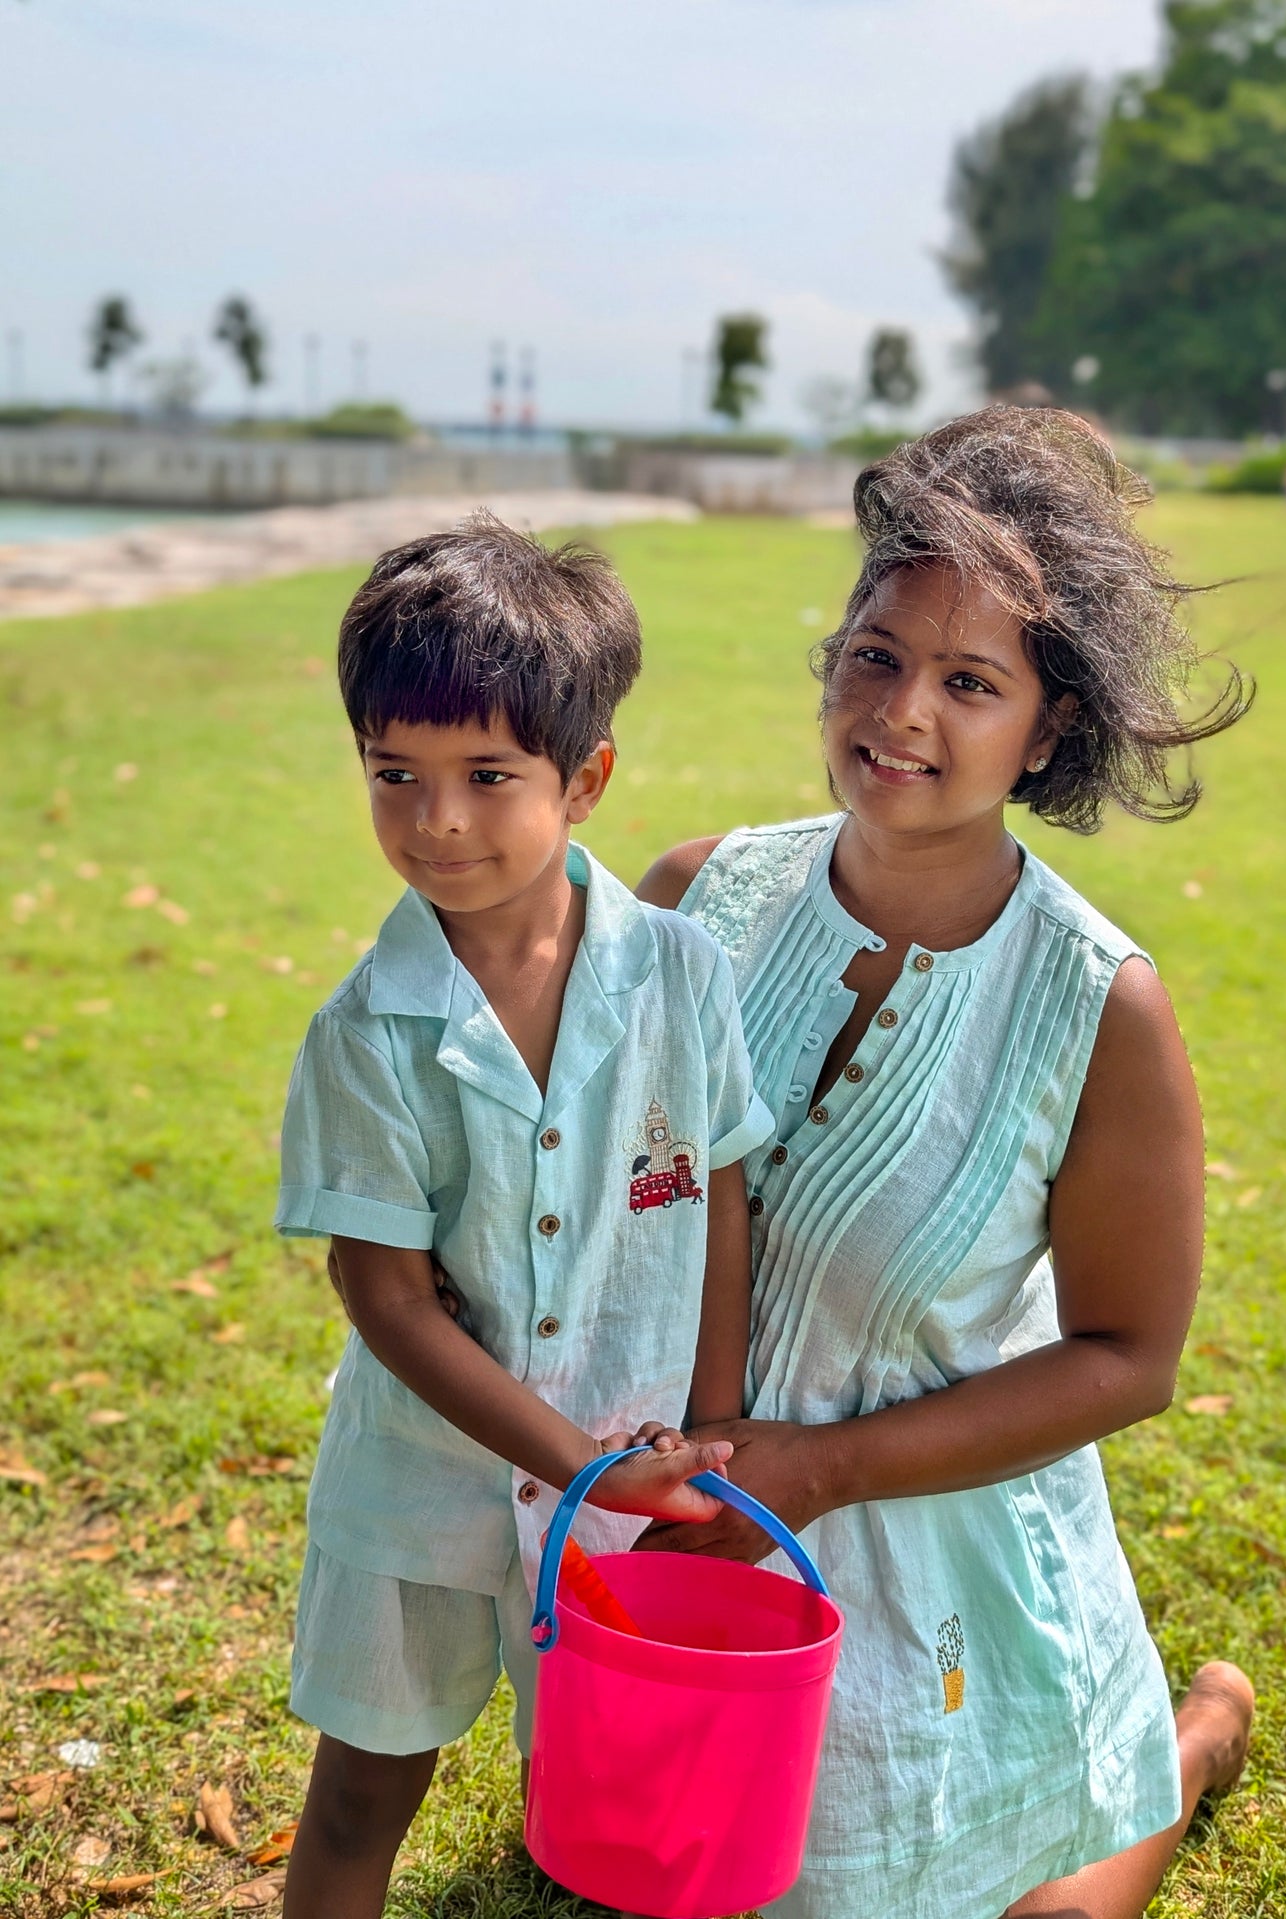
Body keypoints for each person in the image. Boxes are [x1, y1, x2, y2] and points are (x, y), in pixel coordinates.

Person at [637, 408, 1257, 1919]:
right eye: (874, 653)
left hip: (938, 1564)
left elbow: (1128, 1356)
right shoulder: (690, 901)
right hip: (682, 1536)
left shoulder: (1095, 1005)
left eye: (969, 682)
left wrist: (822, 1467)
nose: (901, 710)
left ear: (1044, 730)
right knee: (660, 1877)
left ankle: (1182, 1744)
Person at [273, 514, 773, 1919]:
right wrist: (578, 1465)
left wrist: (709, 1425)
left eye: (489, 776)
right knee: (366, 1786)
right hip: (418, 1487)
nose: (437, 820)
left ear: (587, 777)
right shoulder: (366, 1033)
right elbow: (386, 1301)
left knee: (623, 1805)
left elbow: (718, 1187)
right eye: (396, 775)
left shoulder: (682, 975)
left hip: (635, 1472)